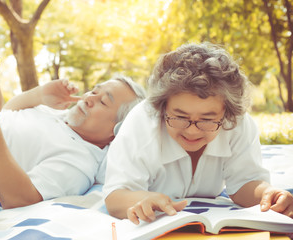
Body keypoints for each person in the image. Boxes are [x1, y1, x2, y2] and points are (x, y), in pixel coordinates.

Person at [103, 42, 293, 225]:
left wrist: (269, 194)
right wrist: (144, 199)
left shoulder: (237, 123)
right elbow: (115, 196)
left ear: (226, 113)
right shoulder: (141, 122)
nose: (192, 131)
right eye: (179, 116)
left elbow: (244, 184)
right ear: (163, 108)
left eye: (207, 119)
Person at [0, 69, 146, 209]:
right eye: (93, 91)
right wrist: (40, 95)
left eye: (103, 102)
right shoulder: (58, 115)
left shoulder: (79, 162)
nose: (89, 98)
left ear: (117, 130)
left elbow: (19, 198)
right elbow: (8, 115)